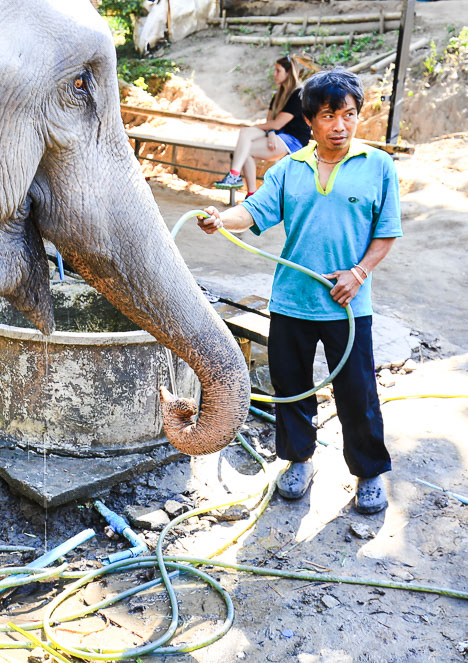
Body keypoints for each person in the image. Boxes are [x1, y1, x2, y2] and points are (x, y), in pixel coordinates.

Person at [198, 68, 402, 514]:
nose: (340, 126)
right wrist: (220, 218)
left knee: (357, 393)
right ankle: (297, 461)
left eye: (348, 115)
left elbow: (386, 233)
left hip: (348, 304)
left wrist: (359, 273)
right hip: (292, 301)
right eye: (329, 116)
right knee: (291, 387)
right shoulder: (289, 169)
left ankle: (368, 473)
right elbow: (253, 212)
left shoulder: (378, 167)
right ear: (310, 120)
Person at [214, 55, 311, 198]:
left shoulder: (298, 94)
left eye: (278, 71)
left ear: (289, 73)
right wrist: (271, 132)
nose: (274, 74)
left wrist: (264, 127)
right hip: (278, 135)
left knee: (243, 149)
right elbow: (271, 123)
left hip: (293, 140)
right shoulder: (278, 96)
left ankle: (238, 180)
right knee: (245, 137)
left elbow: (278, 123)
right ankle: (246, 188)